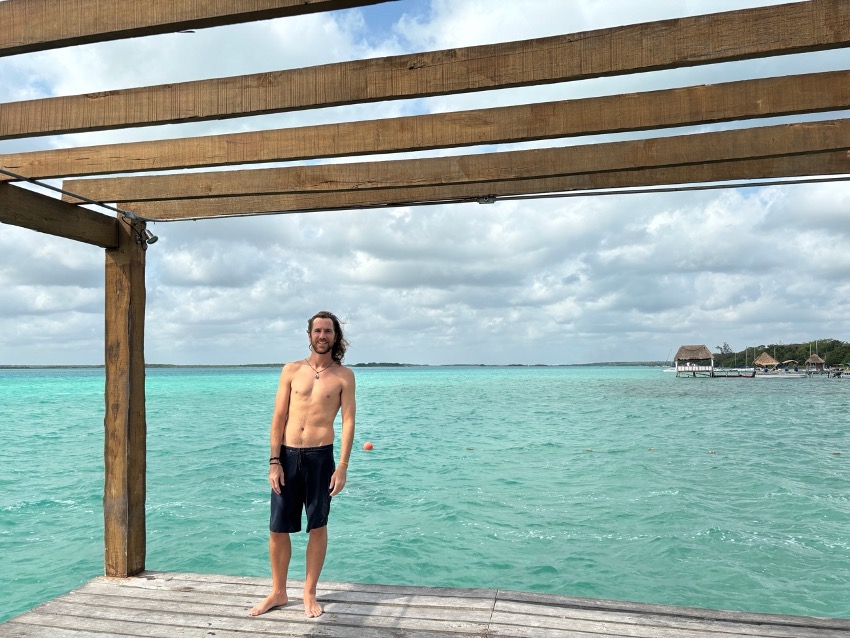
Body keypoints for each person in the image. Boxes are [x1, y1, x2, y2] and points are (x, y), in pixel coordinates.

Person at [249, 311, 356, 618]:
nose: (322, 336)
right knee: (277, 527)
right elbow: (278, 417)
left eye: (328, 331)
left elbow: (348, 421)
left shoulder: (344, 376)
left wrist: (342, 466)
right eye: (317, 330)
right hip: (287, 456)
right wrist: (274, 461)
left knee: (318, 526)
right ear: (309, 335)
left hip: (321, 458)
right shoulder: (291, 370)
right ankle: (278, 592)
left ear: (335, 336)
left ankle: (309, 593)